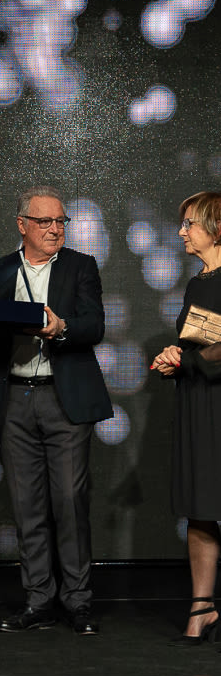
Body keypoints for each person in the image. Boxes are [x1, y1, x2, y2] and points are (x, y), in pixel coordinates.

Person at [0, 186, 111, 636]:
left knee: (70, 501)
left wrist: (61, 327)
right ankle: (39, 600)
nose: (55, 229)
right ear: (22, 225)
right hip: (16, 399)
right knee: (27, 506)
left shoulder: (81, 266)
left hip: (65, 398)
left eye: (61, 221)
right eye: (45, 221)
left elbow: (94, 325)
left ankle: (78, 602)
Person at [151, 191, 221, 645]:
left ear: (217, 228)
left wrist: (187, 360)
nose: (181, 232)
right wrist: (173, 356)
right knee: (201, 507)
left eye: (189, 224)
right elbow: (202, 339)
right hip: (199, 403)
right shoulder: (199, 282)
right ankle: (202, 609)